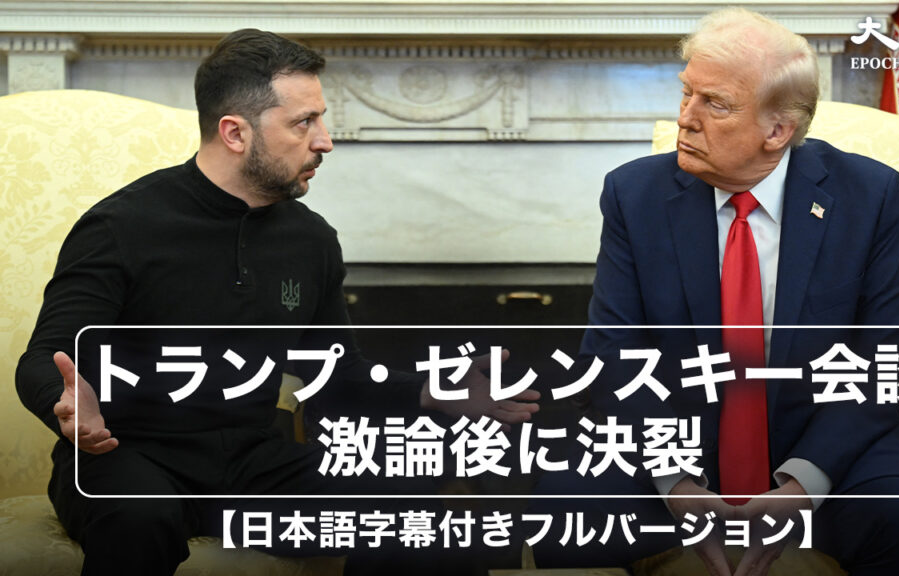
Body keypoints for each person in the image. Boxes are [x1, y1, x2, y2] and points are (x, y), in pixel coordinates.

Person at [15, 28, 538, 576]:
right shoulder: (121, 226)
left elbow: (337, 375)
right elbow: (43, 357)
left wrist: (431, 391)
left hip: (251, 464)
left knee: (420, 505)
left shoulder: (310, 239)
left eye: (321, 119)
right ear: (235, 133)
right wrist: (65, 403)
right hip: (125, 455)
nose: (325, 141)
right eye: (303, 122)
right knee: (139, 517)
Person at [532, 7, 899, 576]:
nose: (685, 118)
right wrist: (676, 484)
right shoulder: (634, 195)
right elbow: (612, 354)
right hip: (672, 442)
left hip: (826, 443)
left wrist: (802, 486)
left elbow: (887, 356)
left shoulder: (867, 195)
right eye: (686, 93)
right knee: (564, 510)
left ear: (777, 131)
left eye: (715, 104)